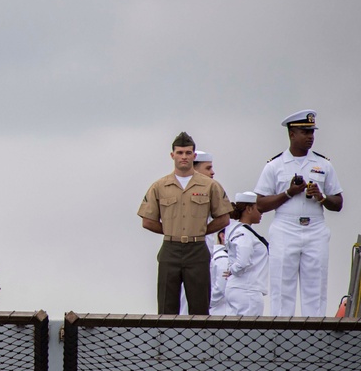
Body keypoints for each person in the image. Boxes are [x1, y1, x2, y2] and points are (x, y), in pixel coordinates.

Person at [254, 110, 344, 316]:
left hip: (315, 227)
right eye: (305, 132)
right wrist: (288, 192)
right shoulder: (275, 165)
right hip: (286, 227)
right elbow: (260, 204)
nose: (310, 136)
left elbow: (338, 202)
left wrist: (321, 197)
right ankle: (282, 336)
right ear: (291, 134)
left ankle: (314, 338)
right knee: (282, 286)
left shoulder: (323, 164)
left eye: (312, 131)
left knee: (315, 287)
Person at [138, 132, 232, 315]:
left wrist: (201, 230)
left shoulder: (210, 185)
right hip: (170, 249)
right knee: (166, 308)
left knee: (199, 307)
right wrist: (172, 230)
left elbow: (223, 218)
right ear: (172, 155)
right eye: (180, 153)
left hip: (197, 249)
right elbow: (147, 221)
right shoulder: (159, 186)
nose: (184, 157)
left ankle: (201, 343)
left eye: (188, 153)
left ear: (194, 156)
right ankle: (166, 343)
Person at [180, 150, 221, 314]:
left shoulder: (211, 192)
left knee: (202, 302)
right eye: (208, 168)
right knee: (185, 301)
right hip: (189, 255)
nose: (212, 172)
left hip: (205, 256)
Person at [223, 192, 269, 316]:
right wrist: (233, 269)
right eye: (259, 210)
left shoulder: (238, 230)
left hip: (241, 289)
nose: (261, 214)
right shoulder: (244, 233)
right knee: (249, 333)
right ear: (249, 209)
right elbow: (242, 261)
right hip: (247, 291)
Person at [208, 229, 229, 315]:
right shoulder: (222, 257)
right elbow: (221, 288)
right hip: (219, 311)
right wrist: (208, 303)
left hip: (214, 310)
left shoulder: (213, 256)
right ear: (222, 236)